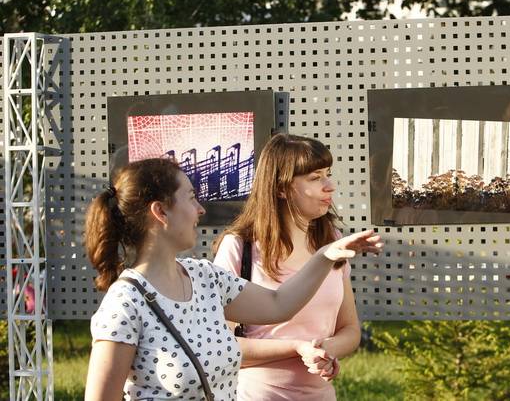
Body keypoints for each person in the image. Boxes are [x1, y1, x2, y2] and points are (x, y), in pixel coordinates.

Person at [84, 157, 382, 401]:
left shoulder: (204, 277)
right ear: (160, 211)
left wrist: (326, 255)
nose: (200, 209)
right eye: (191, 198)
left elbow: (279, 304)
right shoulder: (125, 304)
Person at [213, 133, 361, 401]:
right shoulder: (239, 247)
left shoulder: (333, 242)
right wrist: (297, 348)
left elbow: (350, 329)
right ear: (281, 188)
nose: (330, 186)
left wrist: (323, 351)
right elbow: (218, 345)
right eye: (315, 178)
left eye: (328, 174)